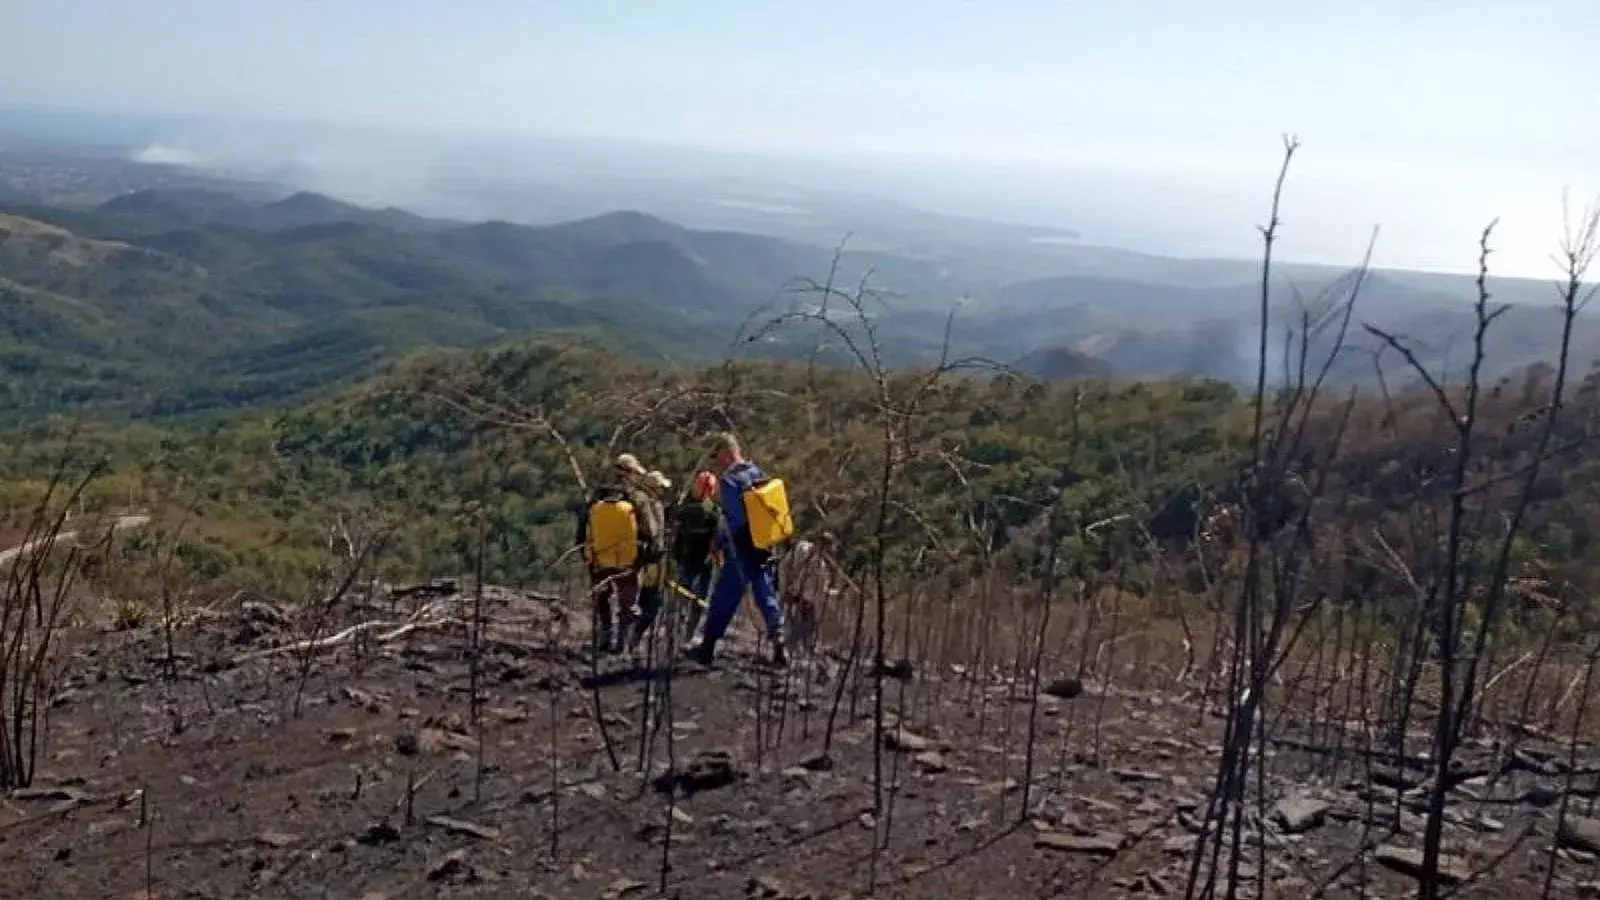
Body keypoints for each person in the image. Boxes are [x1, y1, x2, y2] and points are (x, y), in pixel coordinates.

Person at [686, 432, 787, 668]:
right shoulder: (758, 473)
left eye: (716, 455)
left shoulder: (731, 481)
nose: (715, 462)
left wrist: (718, 541)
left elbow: (734, 520)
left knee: (724, 597)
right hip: (764, 545)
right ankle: (780, 645)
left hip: (741, 548)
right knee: (766, 595)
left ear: (726, 452)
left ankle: (707, 649)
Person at [574, 453, 659, 656]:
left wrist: (584, 552)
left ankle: (604, 636)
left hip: (599, 559)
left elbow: (582, 528)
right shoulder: (638, 498)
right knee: (627, 604)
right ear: (630, 473)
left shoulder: (596, 497)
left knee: (602, 599)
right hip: (627, 561)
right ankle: (621, 644)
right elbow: (652, 532)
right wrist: (649, 555)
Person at [669, 470, 721, 642]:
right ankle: (689, 635)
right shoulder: (713, 511)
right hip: (704, 561)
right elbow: (718, 537)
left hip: (683, 557)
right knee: (699, 599)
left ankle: (674, 627)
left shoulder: (683, 508)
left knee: (683, 593)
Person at [626, 469, 673, 654]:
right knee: (652, 602)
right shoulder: (649, 504)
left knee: (648, 602)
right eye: (660, 487)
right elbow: (653, 532)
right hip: (650, 560)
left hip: (642, 559)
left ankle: (632, 637)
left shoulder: (639, 500)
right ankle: (635, 637)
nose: (662, 490)